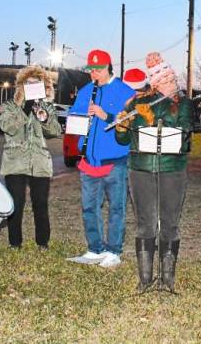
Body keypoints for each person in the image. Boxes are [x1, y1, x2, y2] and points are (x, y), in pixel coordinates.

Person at [115, 59, 192, 292]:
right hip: (141, 168)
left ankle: (167, 278)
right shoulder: (137, 102)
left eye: (173, 79)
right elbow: (124, 140)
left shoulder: (184, 103)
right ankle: (145, 279)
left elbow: (185, 132)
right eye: (166, 80)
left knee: (170, 223)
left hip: (172, 168)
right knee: (145, 224)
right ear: (155, 84)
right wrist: (121, 127)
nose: (172, 83)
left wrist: (152, 121)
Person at [66, 49, 135, 268]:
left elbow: (132, 123)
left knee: (116, 208)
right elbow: (72, 118)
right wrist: (79, 116)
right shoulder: (86, 91)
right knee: (89, 207)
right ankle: (95, 248)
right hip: (89, 159)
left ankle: (114, 251)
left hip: (114, 160)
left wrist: (108, 116)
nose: (93, 74)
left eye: (98, 69)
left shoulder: (125, 91)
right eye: (91, 70)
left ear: (108, 68)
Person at [0, 65, 62, 250]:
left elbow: (55, 132)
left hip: (40, 161)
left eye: (37, 84)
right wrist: (24, 109)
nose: (32, 87)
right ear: (22, 85)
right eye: (29, 83)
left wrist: (44, 119)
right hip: (15, 160)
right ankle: (14, 243)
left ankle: (43, 242)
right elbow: (7, 126)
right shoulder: (10, 106)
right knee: (16, 203)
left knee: (40, 203)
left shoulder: (46, 107)